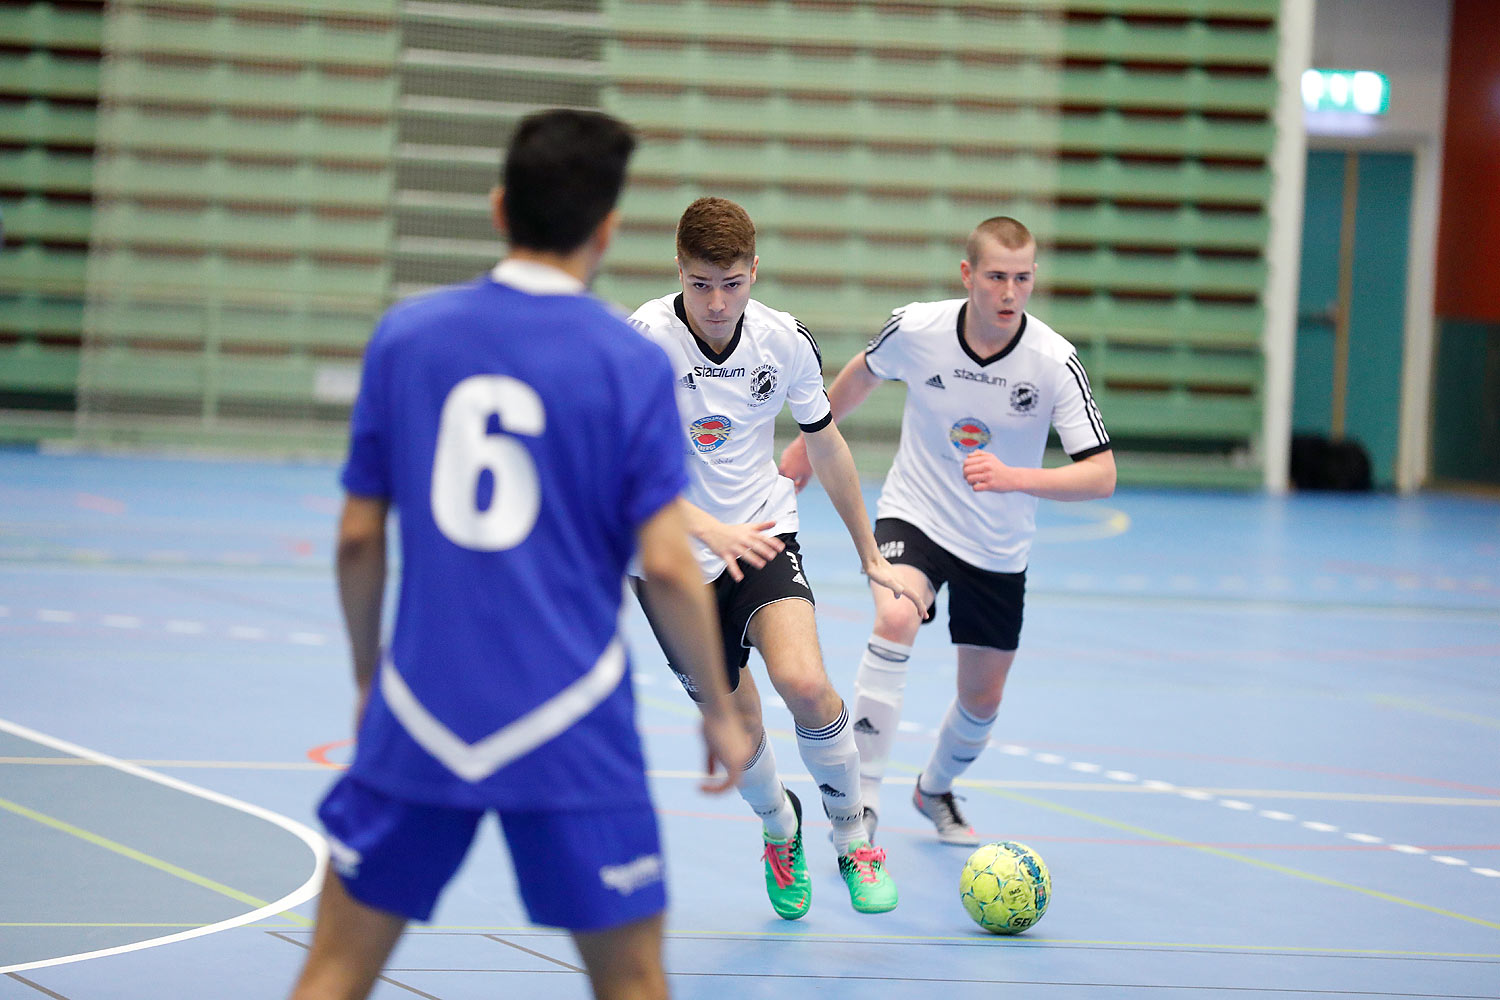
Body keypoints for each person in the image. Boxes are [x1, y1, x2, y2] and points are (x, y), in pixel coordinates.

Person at [288, 110, 751, 1000]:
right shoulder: (629, 361)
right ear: (608, 230)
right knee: (635, 982)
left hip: (422, 707)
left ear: (499, 209)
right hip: (571, 715)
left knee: (335, 971)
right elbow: (665, 562)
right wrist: (722, 714)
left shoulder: (407, 337)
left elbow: (355, 540)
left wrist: (365, 677)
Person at [628, 197, 923, 919]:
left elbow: (825, 443)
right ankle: (778, 827)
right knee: (738, 734)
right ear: (679, 271)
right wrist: (707, 529)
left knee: (805, 682)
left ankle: (855, 838)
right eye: (701, 283)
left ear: (754, 271)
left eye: (732, 282)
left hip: (762, 537)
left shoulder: (784, 342)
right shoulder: (643, 344)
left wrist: (869, 552)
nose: (718, 301)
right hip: (668, 559)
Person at [779, 216, 1115, 845]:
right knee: (897, 617)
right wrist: (805, 445)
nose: (1009, 293)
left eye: (1022, 278)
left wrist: (1017, 478)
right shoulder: (917, 328)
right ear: (968, 276)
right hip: (918, 511)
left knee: (981, 702)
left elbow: (1101, 475)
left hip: (998, 543)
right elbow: (862, 373)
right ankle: (864, 803)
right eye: (996, 278)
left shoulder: (1053, 361)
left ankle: (932, 790)